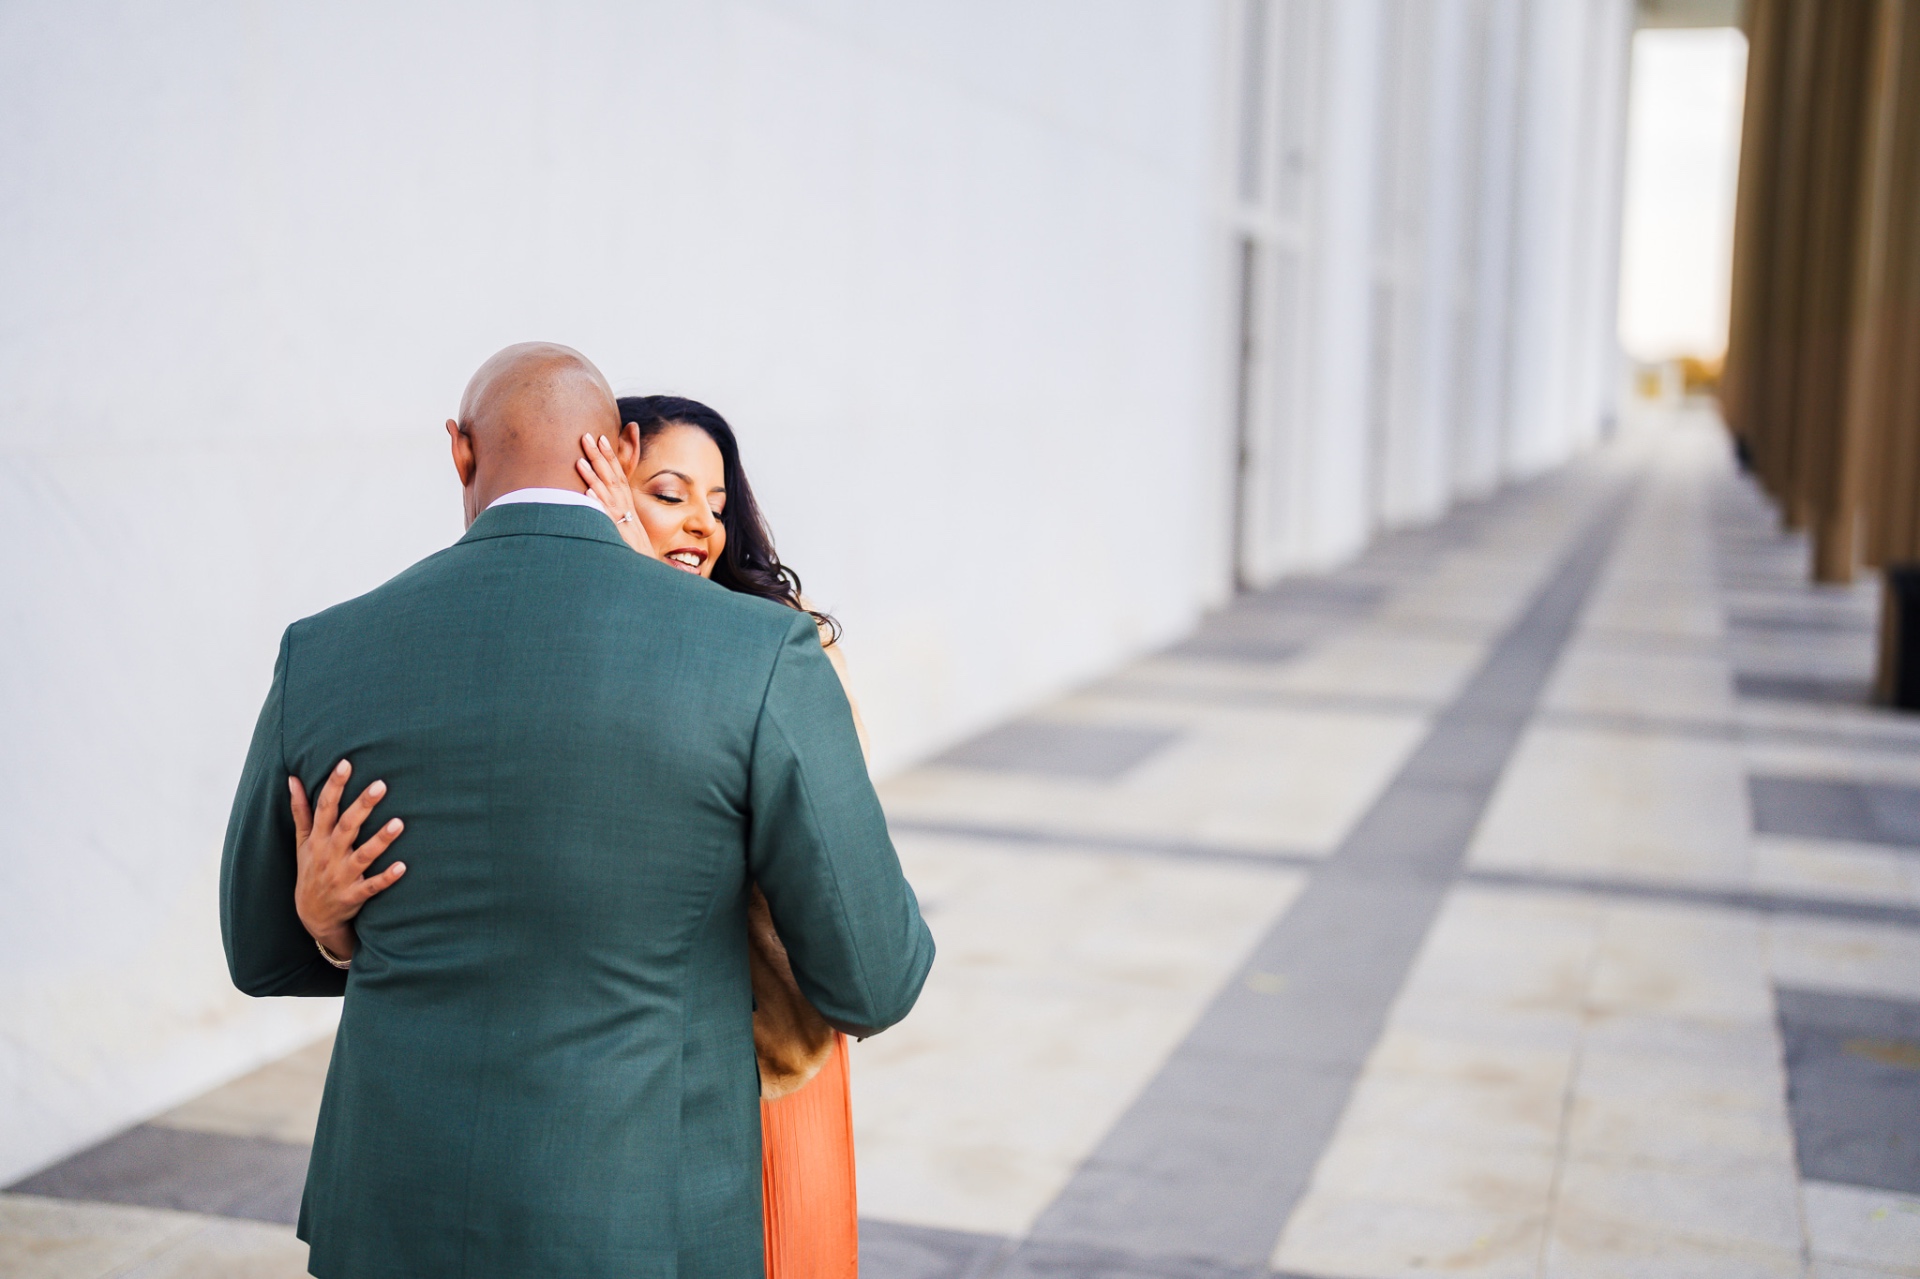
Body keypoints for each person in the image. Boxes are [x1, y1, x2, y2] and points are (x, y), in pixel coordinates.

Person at [220, 343, 935, 1279]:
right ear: (622, 447)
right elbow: (874, 980)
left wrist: (330, 926)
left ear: (459, 452)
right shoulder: (756, 654)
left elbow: (259, 951)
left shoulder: (324, 650)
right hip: (650, 1219)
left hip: (393, 1216)